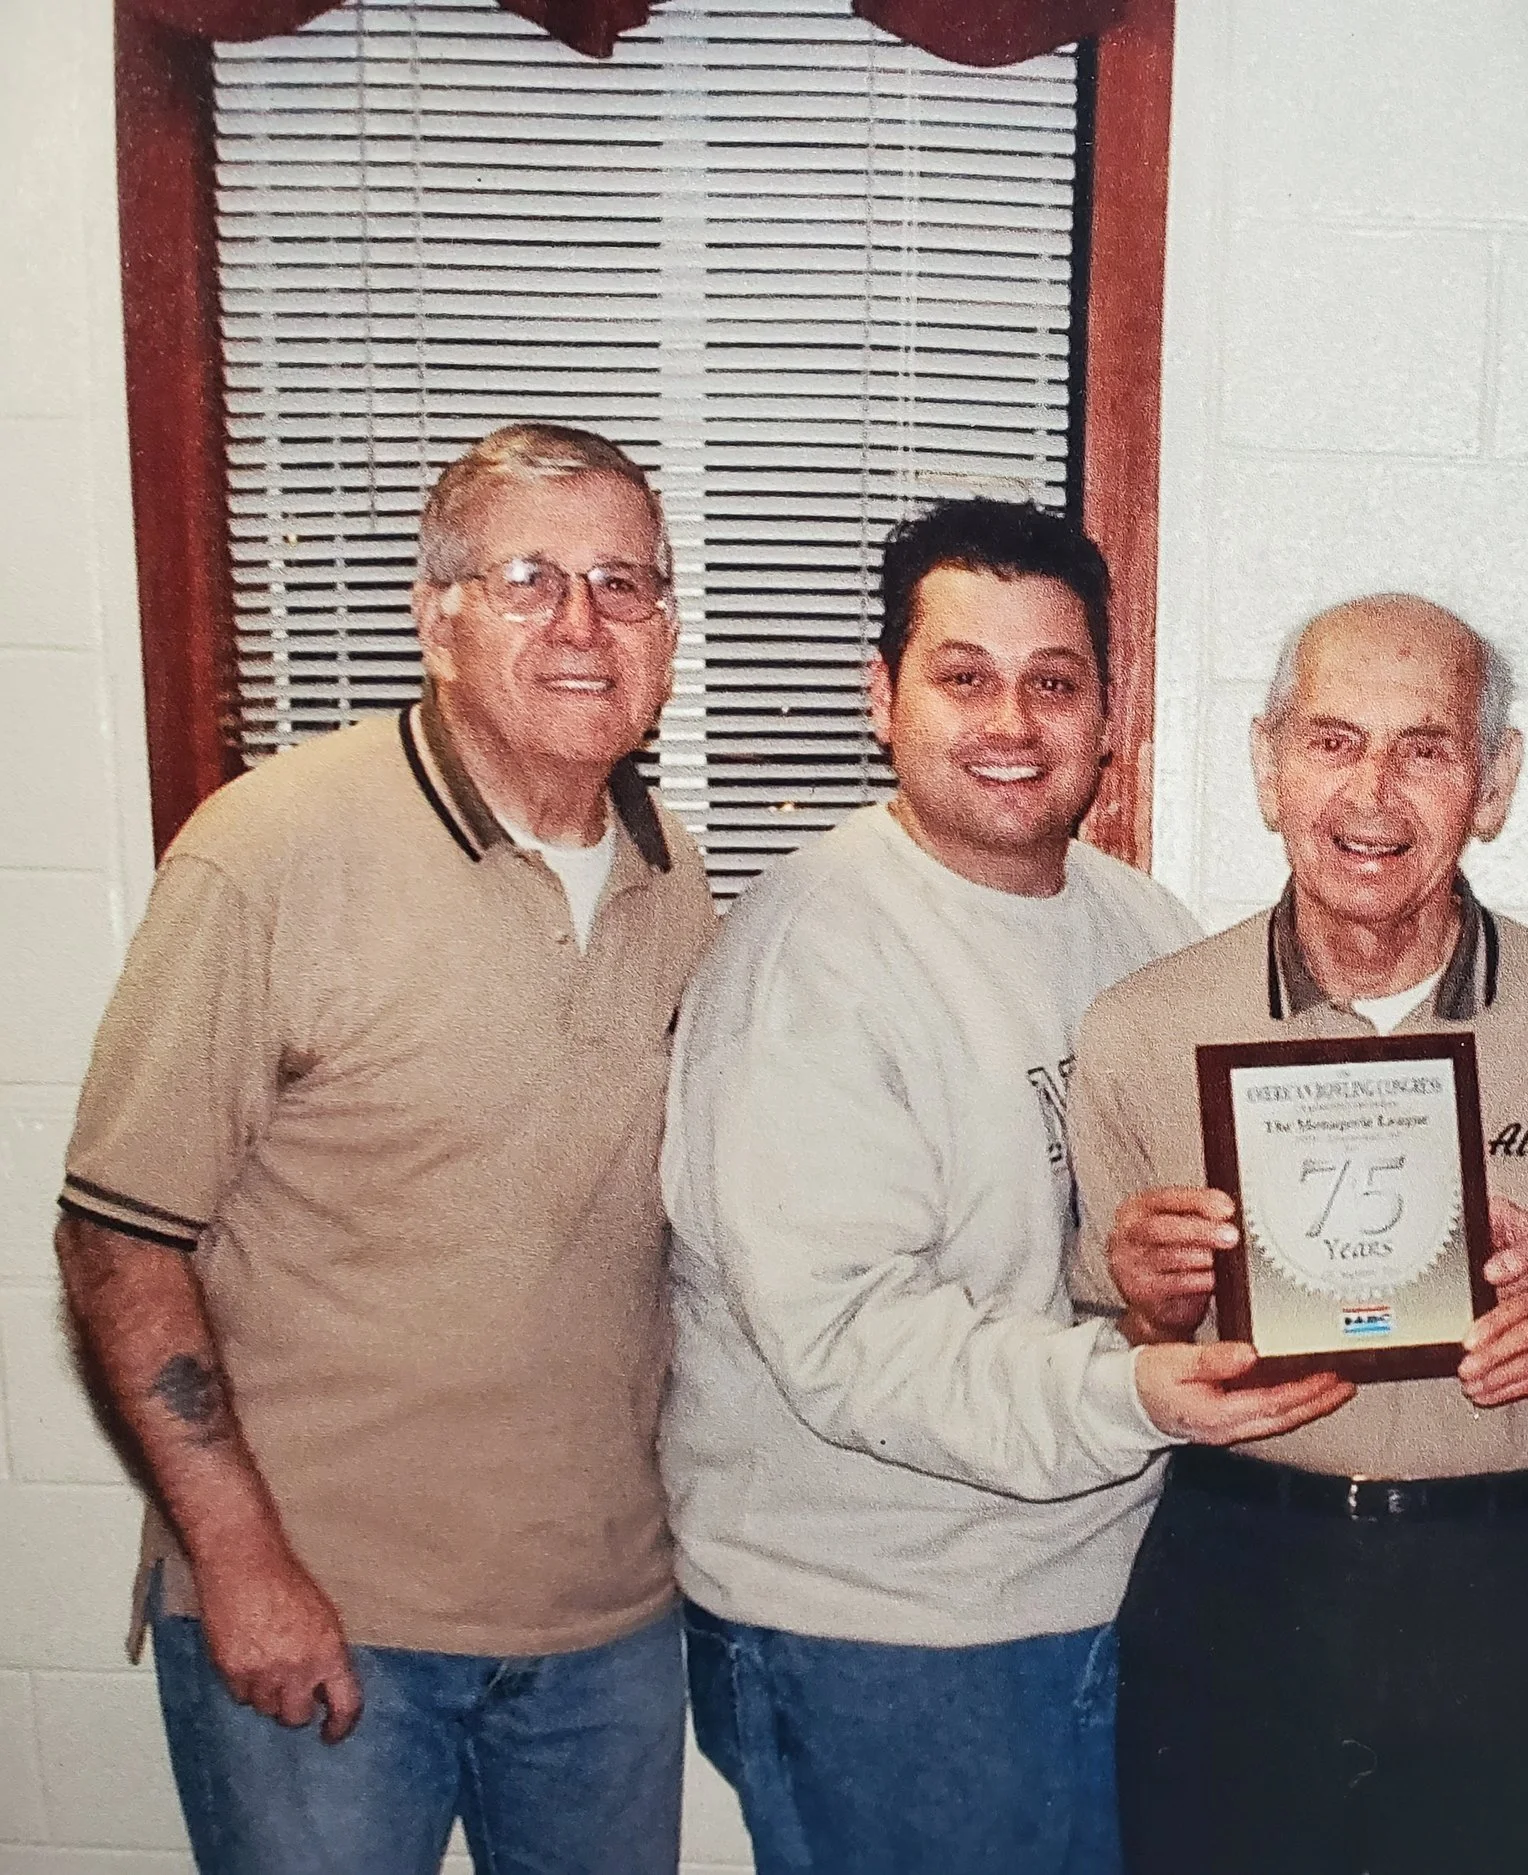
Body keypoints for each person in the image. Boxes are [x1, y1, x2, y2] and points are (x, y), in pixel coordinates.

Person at [53, 423, 717, 1875]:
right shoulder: (272, 849)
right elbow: (116, 1235)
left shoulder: (684, 880)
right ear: (438, 616)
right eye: (532, 577)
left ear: (669, 625)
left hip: (604, 1627)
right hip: (332, 1617)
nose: (584, 624)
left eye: (627, 582)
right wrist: (237, 1561)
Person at [660, 497, 1352, 1875]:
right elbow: (849, 1337)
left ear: (1112, 708)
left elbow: (1189, 1230)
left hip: (1106, 1582)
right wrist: (1131, 1389)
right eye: (963, 675)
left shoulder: (1136, 924)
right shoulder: (815, 949)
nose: (1012, 722)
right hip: (889, 1629)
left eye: (1053, 680)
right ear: (883, 697)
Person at [1069, 592, 1528, 1875]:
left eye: (1426, 747)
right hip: (1244, 1571)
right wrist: (1148, 1304)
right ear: (1267, 765)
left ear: (1493, 782)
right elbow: (1113, 1356)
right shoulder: (1139, 1032)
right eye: (1333, 741)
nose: (1372, 796)